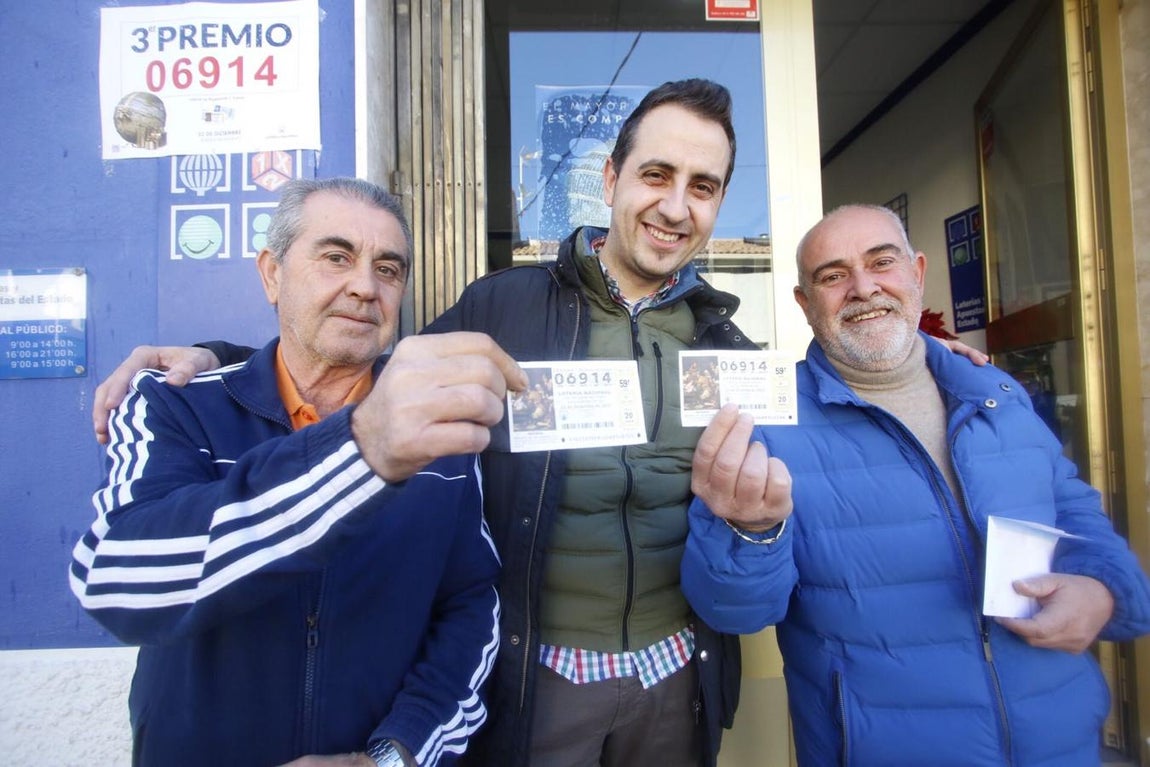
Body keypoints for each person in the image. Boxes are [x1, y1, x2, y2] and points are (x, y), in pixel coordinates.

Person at [90, 79, 754, 767]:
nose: (675, 205)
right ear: (611, 178)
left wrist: (758, 529)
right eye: (656, 174)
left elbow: (763, 539)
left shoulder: (730, 348)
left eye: (702, 186)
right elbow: (359, 362)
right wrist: (220, 365)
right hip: (546, 684)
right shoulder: (506, 307)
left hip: (676, 679)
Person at [70, 177, 527, 767]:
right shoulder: (174, 404)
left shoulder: (442, 433)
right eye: (336, 257)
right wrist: (362, 450)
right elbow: (117, 579)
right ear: (272, 273)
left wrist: (396, 754)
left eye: (388, 269)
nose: (364, 286)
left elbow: (469, 606)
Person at [680, 204, 1150, 766]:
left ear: (917, 273)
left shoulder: (996, 395)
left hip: (1061, 744)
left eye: (882, 263)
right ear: (806, 304)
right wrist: (750, 528)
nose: (863, 288)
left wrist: (1103, 592)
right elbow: (734, 612)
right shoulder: (767, 425)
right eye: (833, 276)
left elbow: (1085, 527)